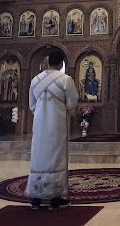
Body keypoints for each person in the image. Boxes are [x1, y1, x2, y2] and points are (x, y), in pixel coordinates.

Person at [25, 50, 79, 210]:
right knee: (56, 157)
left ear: (48, 62)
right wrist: (61, 110)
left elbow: (32, 105)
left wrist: (42, 113)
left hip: (40, 126)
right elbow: (72, 103)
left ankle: (35, 198)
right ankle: (55, 199)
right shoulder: (65, 79)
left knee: (38, 156)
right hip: (57, 126)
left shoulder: (35, 80)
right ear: (61, 63)